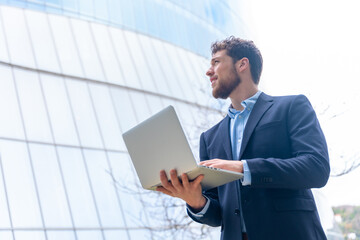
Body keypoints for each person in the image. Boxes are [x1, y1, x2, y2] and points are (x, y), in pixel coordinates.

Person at [156, 36, 330, 240]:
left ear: (242, 64)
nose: (208, 71)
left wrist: (243, 167)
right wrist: (196, 201)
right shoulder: (209, 138)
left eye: (216, 62)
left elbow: (316, 168)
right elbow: (219, 215)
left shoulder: (291, 107)